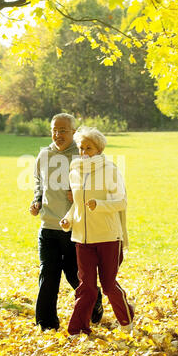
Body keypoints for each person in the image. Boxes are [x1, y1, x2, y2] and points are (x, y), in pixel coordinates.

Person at [29, 114, 103, 331]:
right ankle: (46, 324)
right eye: (54, 130)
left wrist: (80, 193)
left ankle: (95, 300)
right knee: (48, 275)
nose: (57, 134)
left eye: (63, 130)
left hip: (74, 227)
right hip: (48, 226)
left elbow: (97, 185)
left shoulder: (82, 156)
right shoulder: (44, 155)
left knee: (74, 275)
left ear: (73, 132)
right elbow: (38, 183)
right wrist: (36, 200)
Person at [60, 126, 134, 336]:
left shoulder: (110, 170)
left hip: (109, 237)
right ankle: (77, 329)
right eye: (81, 148)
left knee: (109, 286)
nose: (83, 153)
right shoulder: (74, 171)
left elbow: (122, 202)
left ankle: (126, 321)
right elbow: (78, 204)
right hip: (82, 239)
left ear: (99, 149)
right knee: (87, 287)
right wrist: (68, 219)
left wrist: (99, 205)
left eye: (88, 148)